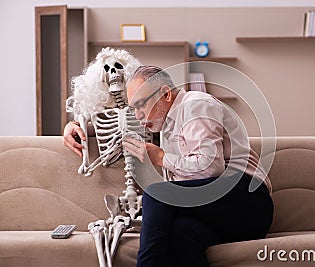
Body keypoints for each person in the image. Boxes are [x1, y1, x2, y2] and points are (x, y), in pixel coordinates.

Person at [63, 65, 274, 267]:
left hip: (248, 200)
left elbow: (211, 168)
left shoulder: (196, 105)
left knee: (156, 193)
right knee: (180, 234)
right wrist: (73, 126)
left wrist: (161, 157)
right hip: (221, 216)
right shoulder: (164, 124)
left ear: (165, 94)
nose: (137, 116)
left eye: (140, 105)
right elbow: (118, 129)